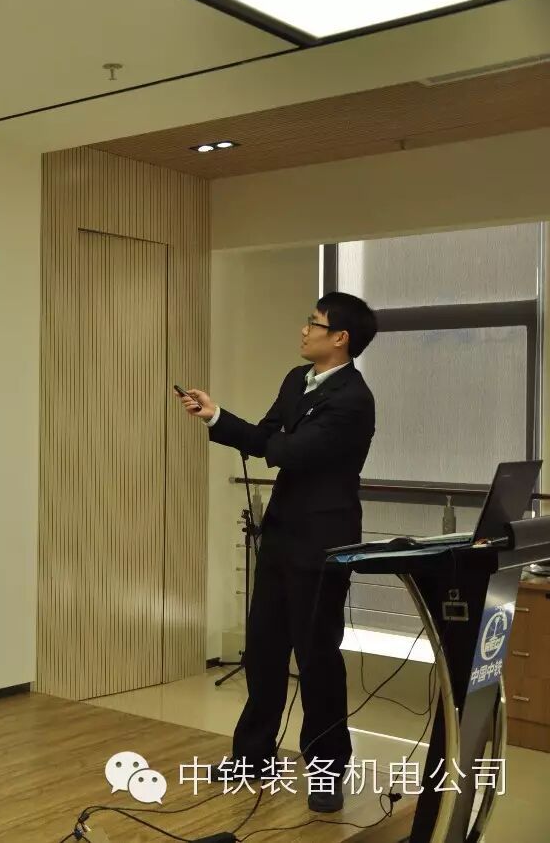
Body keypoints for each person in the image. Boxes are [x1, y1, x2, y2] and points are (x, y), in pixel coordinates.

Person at [176, 292, 377, 814]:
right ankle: (252, 756)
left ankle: (327, 770)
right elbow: (267, 436)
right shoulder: (296, 380)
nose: (304, 330)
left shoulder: (354, 399)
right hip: (282, 532)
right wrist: (216, 416)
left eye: (314, 323)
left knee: (317, 659)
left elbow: (293, 451)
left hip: (324, 540)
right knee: (263, 651)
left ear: (340, 338)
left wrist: (272, 440)